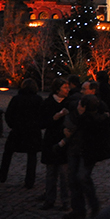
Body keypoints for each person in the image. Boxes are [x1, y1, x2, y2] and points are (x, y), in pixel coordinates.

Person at [64, 94, 110, 219]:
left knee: (82, 177)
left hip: (86, 151)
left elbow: (85, 125)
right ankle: (78, 209)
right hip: (75, 148)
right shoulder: (77, 110)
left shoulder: (94, 118)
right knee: (73, 179)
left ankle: (93, 207)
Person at [0, 78, 43, 189]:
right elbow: (42, 115)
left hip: (18, 130)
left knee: (8, 153)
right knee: (32, 156)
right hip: (32, 131)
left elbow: (9, 114)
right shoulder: (38, 99)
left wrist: (13, 125)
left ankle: (2, 175)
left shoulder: (16, 99)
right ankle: (29, 180)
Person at [40, 77, 71, 210]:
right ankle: (49, 199)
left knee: (65, 174)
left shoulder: (70, 103)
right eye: (65, 87)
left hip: (65, 142)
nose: (67, 90)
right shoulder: (48, 103)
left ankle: (66, 201)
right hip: (51, 140)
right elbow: (42, 122)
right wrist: (55, 117)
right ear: (57, 89)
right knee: (51, 173)